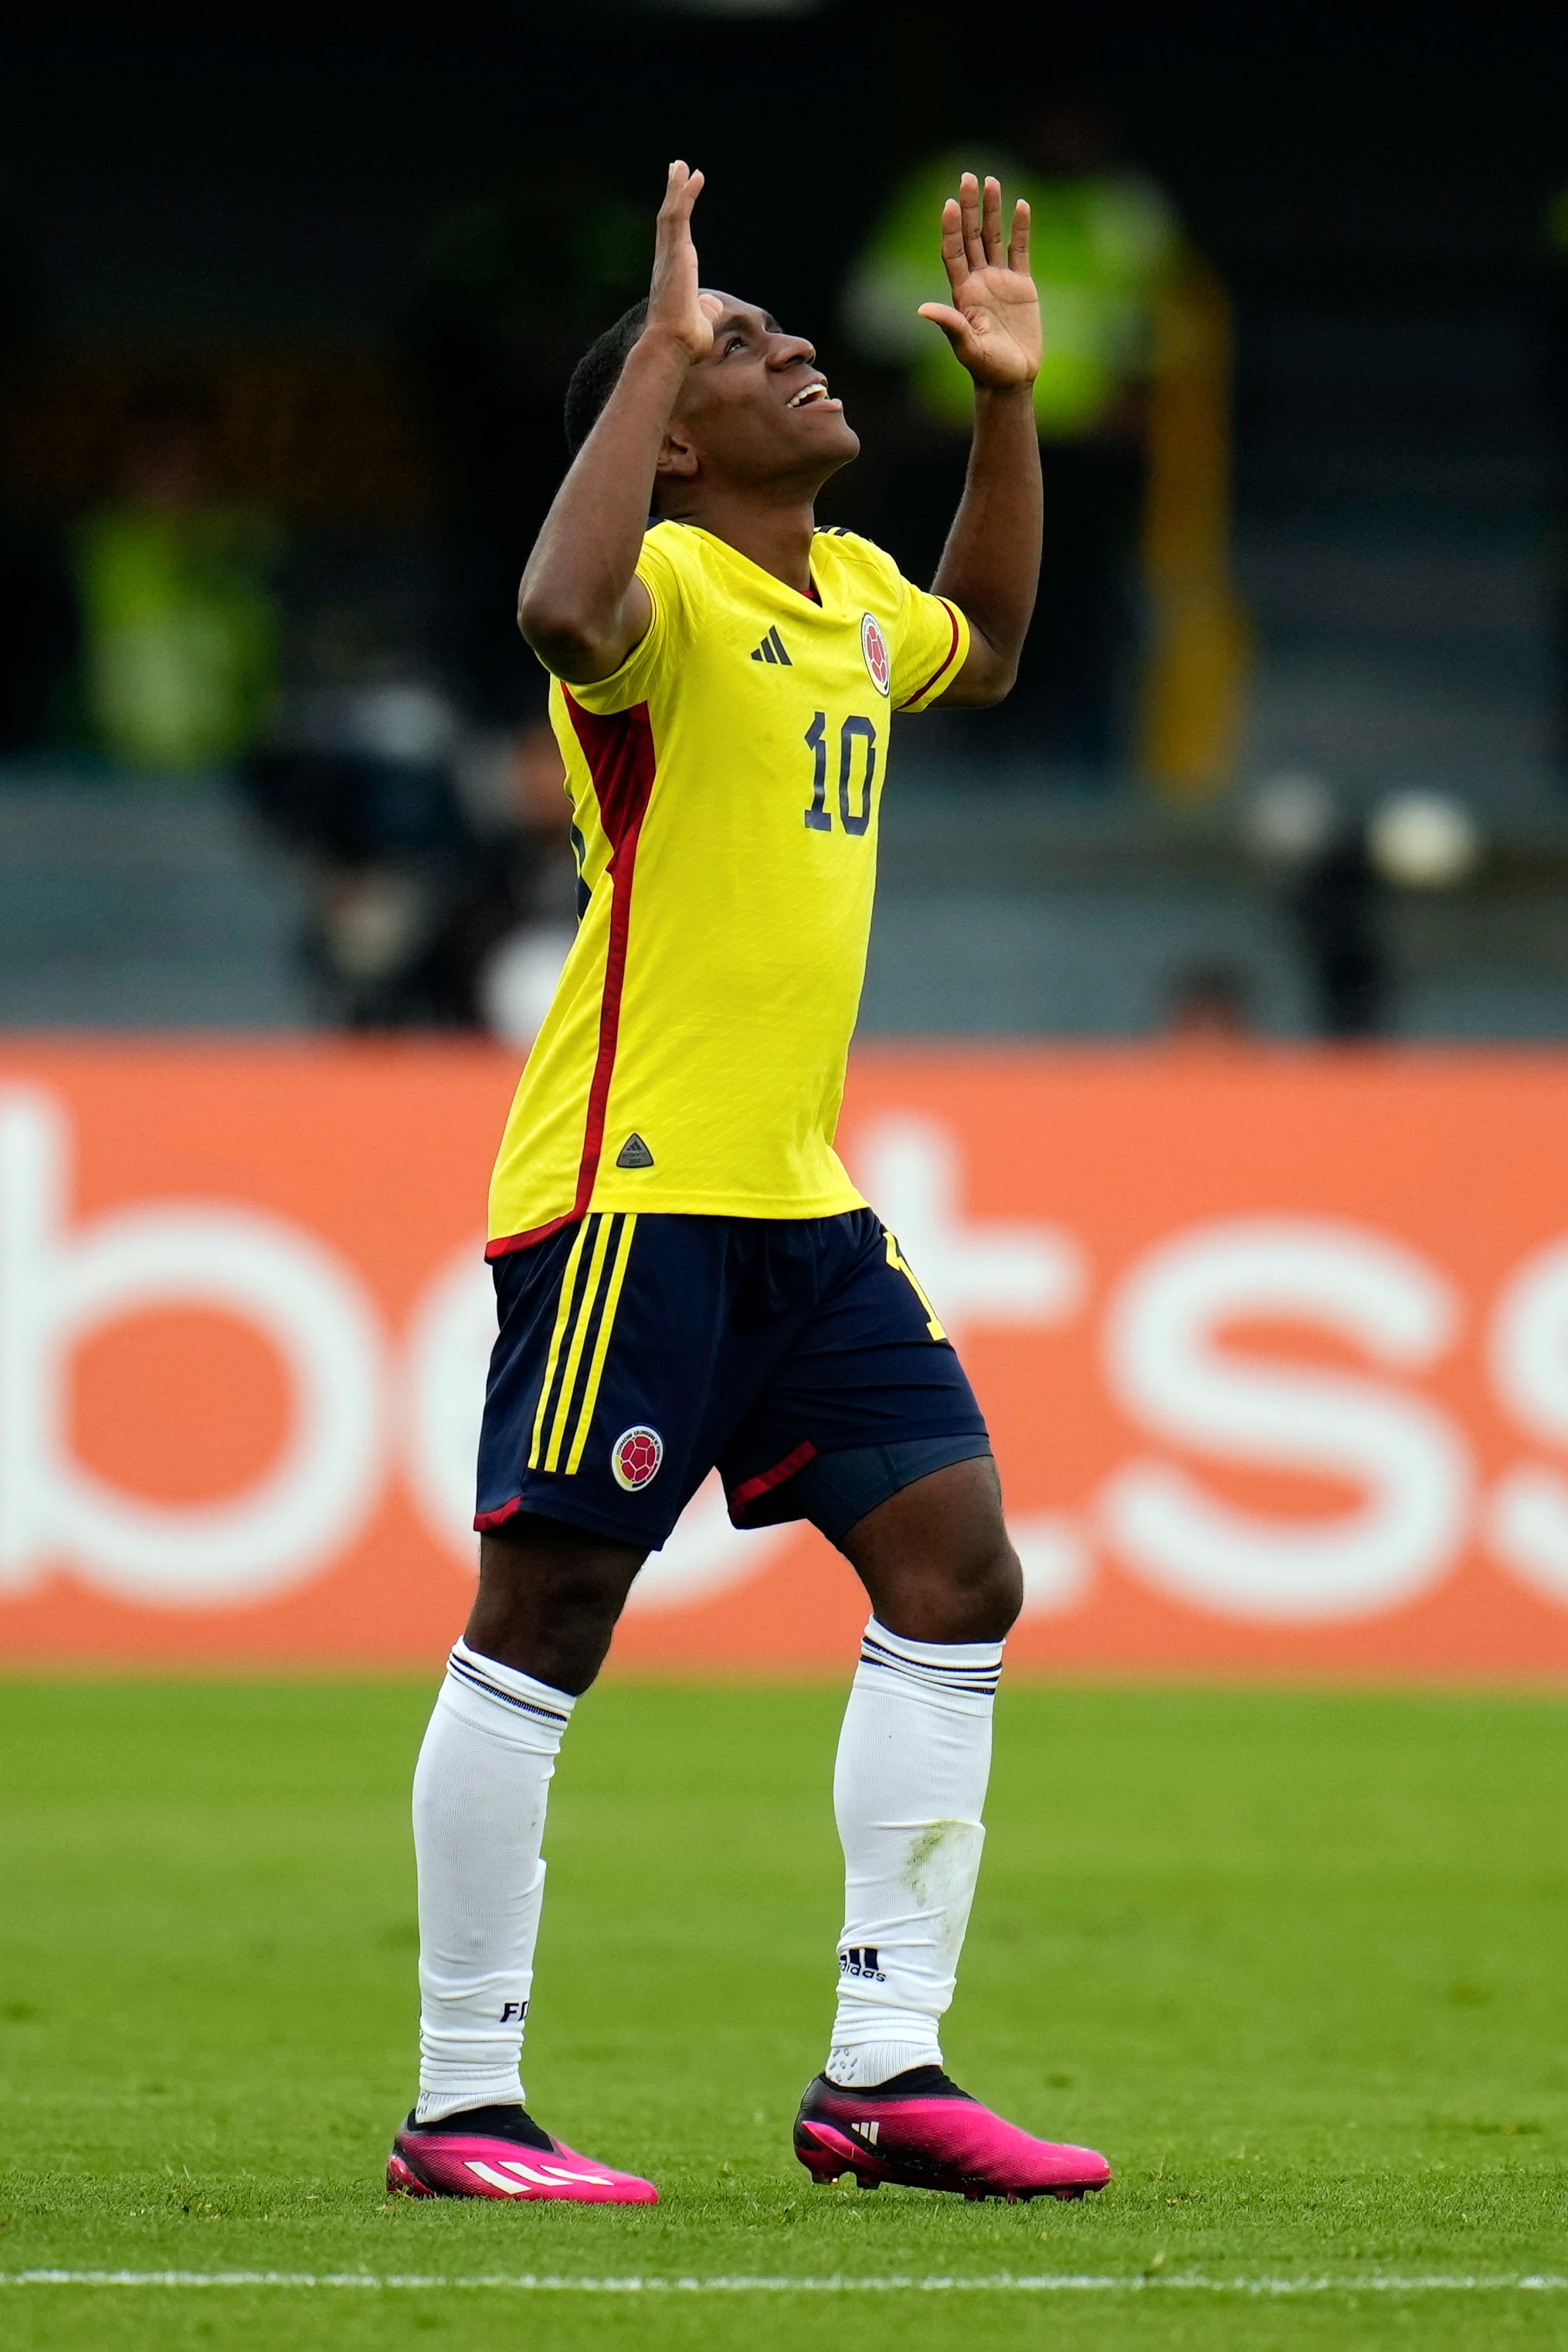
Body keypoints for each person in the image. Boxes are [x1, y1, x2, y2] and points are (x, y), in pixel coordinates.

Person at [387, 162, 1111, 2209]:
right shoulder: (658, 605)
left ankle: (886, 2072)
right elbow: (554, 605)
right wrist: (661, 347)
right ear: (682, 436)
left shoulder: (852, 593)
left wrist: (1007, 406)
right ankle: (463, 2105)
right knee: (549, 1607)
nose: (799, 346)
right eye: (750, 347)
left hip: (797, 1200)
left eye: (785, 333)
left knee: (960, 1572)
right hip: (632, 1191)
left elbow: (991, 641)